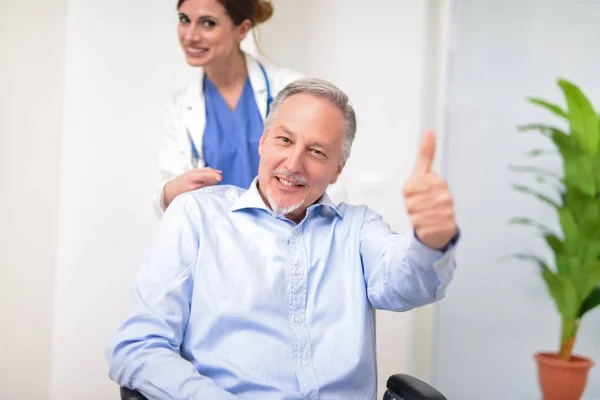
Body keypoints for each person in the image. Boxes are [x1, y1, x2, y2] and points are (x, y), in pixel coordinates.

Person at [107, 77, 460, 399]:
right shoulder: (196, 215)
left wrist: (430, 241)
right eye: (285, 140)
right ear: (263, 142)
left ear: (338, 169)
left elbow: (404, 283)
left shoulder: (358, 228)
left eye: (317, 152)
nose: (293, 163)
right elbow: (139, 346)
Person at [155, 0, 306, 217]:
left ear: (242, 30)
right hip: (217, 240)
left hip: (287, 233)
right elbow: (170, 192)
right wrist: (167, 193)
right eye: (184, 20)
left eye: (208, 23)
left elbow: (322, 173)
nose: (190, 36)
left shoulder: (291, 89)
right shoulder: (178, 108)